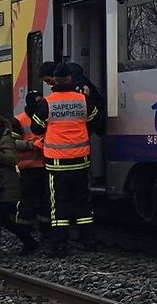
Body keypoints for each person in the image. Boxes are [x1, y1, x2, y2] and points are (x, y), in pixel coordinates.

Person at [31, 63, 100, 257]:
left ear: (54, 80)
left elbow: (36, 128)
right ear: (70, 79)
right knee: (83, 203)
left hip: (57, 164)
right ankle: (90, 242)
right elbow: (96, 121)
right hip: (80, 161)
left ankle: (60, 245)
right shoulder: (83, 100)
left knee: (58, 205)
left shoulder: (47, 102)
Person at [0, 114, 37, 263]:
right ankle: (29, 241)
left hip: (5, 185)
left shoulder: (5, 139)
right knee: (3, 219)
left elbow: (12, 160)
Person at [14, 90, 48, 237]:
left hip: (44, 167)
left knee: (45, 204)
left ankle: (46, 234)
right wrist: (33, 145)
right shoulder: (19, 120)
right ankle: (24, 236)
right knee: (27, 204)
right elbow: (12, 142)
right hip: (28, 169)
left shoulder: (45, 117)